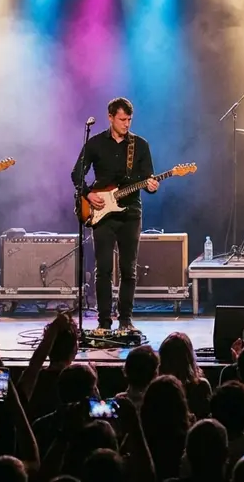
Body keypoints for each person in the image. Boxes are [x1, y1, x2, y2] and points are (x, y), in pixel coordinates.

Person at [72, 97, 159, 330]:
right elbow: (76, 175)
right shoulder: (95, 143)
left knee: (129, 270)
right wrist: (89, 194)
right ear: (110, 117)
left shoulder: (140, 145)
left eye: (129, 119)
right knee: (103, 271)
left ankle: (126, 321)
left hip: (131, 213)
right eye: (122, 119)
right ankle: (103, 322)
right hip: (102, 214)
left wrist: (151, 186)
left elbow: (147, 178)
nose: (126, 124)